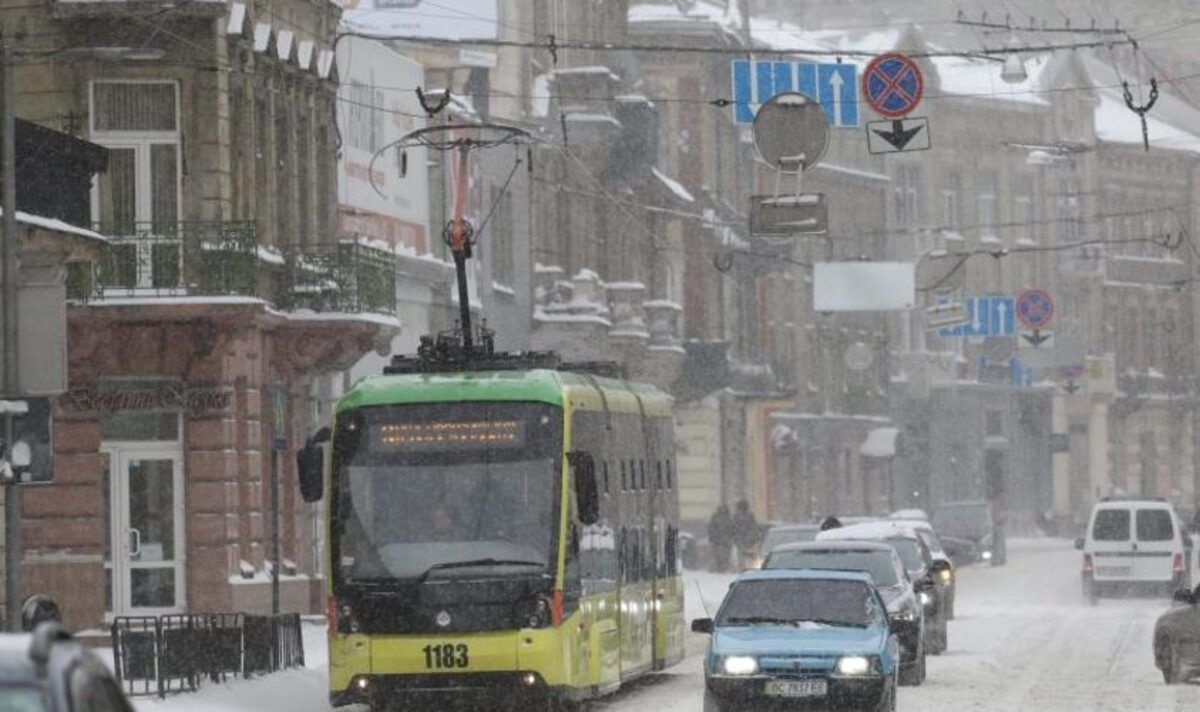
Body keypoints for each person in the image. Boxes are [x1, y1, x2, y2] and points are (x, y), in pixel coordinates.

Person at [732, 500, 760, 569]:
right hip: (749, 540)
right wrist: (754, 538)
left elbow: (733, 529)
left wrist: (735, 538)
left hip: (741, 540)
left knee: (741, 556)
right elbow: (754, 528)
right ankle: (750, 567)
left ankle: (742, 567)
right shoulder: (750, 516)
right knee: (749, 556)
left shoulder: (736, 517)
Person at [707, 505, 733, 572]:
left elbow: (711, 528)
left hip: (720, 541)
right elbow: (731, 529)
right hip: (722, 541)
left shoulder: (716, 518)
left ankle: (721, 567)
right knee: (723, 555)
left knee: (719, 555)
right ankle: (722, 567)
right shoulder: (728, 518)